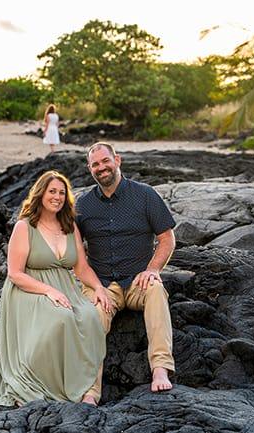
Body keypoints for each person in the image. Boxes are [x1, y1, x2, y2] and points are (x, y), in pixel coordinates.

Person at [0, 171, 112, 408]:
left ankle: (84, 388)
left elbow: (81, 267)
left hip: (66, 288)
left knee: (90, 316)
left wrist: (98, 287)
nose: (57, 197)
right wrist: (49, 291)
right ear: (41, 194)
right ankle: (41, 386)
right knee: (61, 318)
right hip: (29, 289)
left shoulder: (69, 227)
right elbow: (15, 273)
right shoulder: (25, 227)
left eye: (62, 193)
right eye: (52, 191)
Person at [76, 142, 176, 401]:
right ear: (90, 169)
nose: (101, 168)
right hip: (102, 285)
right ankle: (90, 391)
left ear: (117, 160)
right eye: (95, 164)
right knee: (93, 316)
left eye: (105, 161)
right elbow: (75, 254)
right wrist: (96, 288)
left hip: (137, 282)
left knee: (156, 290)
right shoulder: (83, 205)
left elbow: (167, 238)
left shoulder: (145, 195)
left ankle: (160, 370)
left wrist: (153, 270)